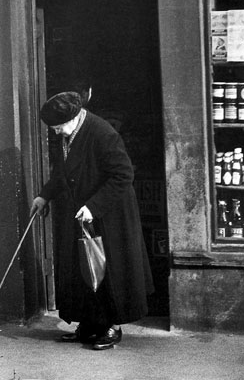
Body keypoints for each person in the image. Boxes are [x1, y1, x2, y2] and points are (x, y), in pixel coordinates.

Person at [31, 91, 153, 351]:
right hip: (81, 213)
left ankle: (111, 326)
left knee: (106, 271)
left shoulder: (102, 132)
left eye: (59, 127)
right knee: (83, 270)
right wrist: (44, 195)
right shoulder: (71, 133)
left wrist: (93, 207)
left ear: (74, 118)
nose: (56, 133)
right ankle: (88, 324)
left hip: (109, 215)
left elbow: (123, 175)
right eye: (53, 129)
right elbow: (62, 170)